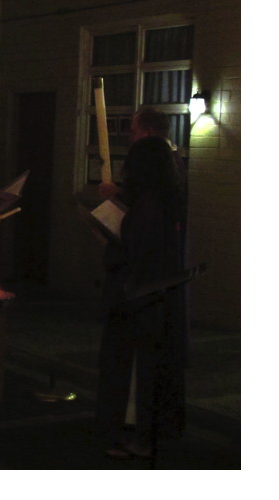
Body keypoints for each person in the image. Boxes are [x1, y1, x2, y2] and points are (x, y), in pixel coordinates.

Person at [95, 136, 187, 459]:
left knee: (135, 373)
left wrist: (108, 235)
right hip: (160, 298)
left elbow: (132, 251)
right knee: (151, 371)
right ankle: (148, 434)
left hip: (139, 299)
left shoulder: (146, 206)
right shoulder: (168, 200)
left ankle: (138, 437)